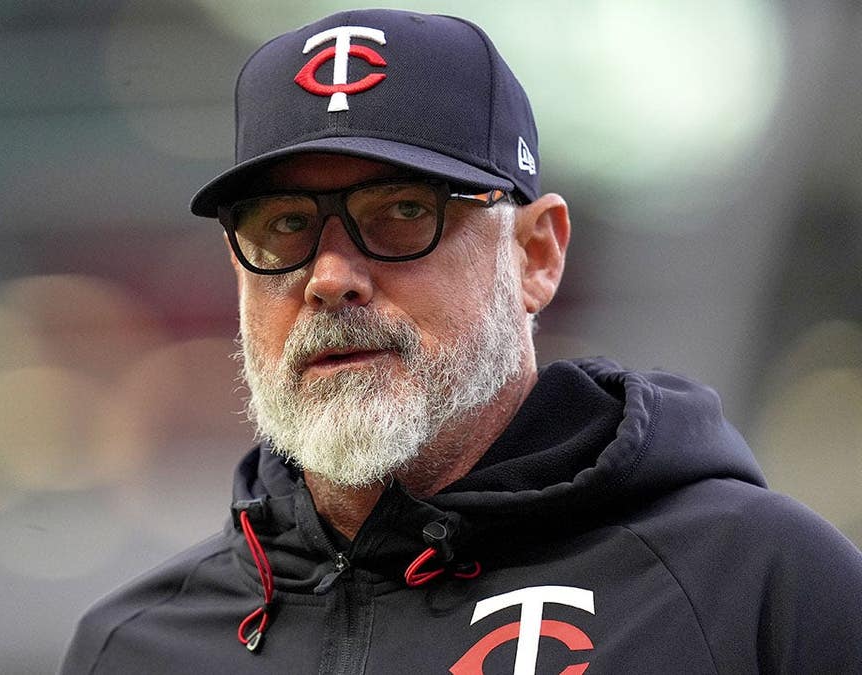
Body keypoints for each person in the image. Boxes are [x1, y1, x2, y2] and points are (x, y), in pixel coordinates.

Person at [62, 8, 862, 673]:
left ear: (535, 254)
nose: (331, 276)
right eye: (284, 227)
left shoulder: (754, 585)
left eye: (404, 210)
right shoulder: (134, 647)